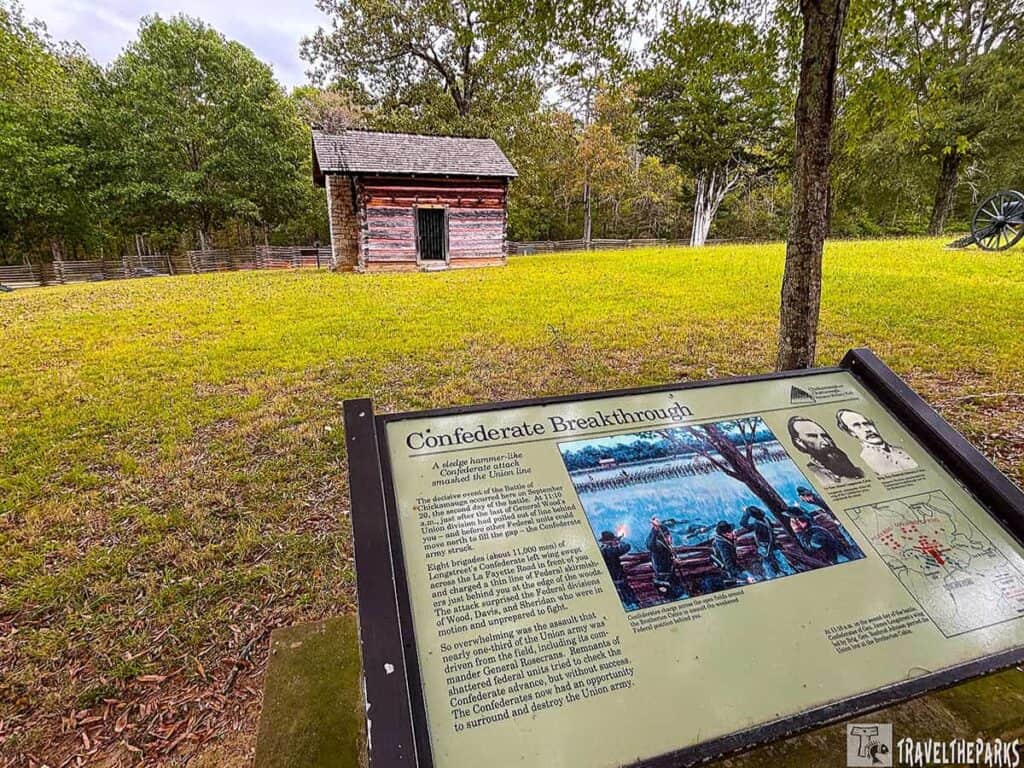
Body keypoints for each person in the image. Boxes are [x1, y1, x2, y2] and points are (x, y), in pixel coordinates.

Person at [836, 409, 918, 476]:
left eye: (867, 423)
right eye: (857, 426)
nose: (867, 429)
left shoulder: (901, 450)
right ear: (851, 433)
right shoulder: (866, 457)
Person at [787, 416, 864, 486]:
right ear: (799, 442)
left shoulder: (855, 471)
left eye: (825, 436)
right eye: (813, 436)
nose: (825, 442)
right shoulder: (811, 474)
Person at [784, 506, 852, 565]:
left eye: (793, 520)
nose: (792, 523)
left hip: (841, 559)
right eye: (792, 520)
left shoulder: (816, 533)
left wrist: (798, 532)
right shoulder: (809, 530)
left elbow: (811, 546)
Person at [739, 506, 790, 579]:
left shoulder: (757, 525)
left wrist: (746, 513)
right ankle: (789, 573)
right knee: (781, 561)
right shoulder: (766, 519)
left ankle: (771, 577)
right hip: (773, 544)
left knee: (767, 565)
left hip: (764, 547)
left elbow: (743, 523)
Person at [599, 531, 639, 610]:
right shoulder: (610, 550)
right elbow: (627, 547)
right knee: (628, 596)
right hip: (618, 577)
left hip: (612, 578)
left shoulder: (603, 549)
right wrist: (619, 541)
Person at [646, 516, 683, 598]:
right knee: (670, 595)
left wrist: (674, 561)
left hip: (671, 575)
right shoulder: (658, 546)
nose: (669, 538)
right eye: (667, 536)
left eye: (669, 535)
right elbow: (649, 545)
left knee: (679, 592)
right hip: (663, 577)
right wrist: (655, 530)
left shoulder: (667, 546)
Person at [710, 521, 755, 586]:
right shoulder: (723, 547)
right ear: (725, 534)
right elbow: (729, 566)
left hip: (735, 565)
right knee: (751, 578)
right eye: (731, 532)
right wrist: (746, 577)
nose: (734, 533)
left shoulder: (723, 539)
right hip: (730, 572)